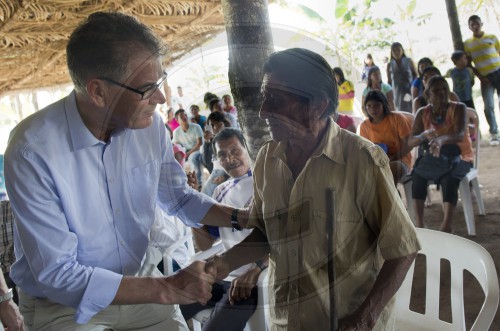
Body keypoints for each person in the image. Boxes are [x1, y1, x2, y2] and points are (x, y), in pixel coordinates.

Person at [3, 12, 246, 330]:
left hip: (140, 281)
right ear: (98, 91)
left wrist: (241, 217)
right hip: (64, 305)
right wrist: (167, 287)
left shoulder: (150, 127)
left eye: (161, 81)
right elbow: (58, 274)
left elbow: (178, 198)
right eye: (147, 88)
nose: (160, 98)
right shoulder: (32, 149)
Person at [208, 48, 420, 331]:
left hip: (346, 323)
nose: (263, 111)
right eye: (263, 98)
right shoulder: (267, 160)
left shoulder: (362, 160)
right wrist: (219, 265)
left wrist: (365, 317)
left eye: (276, 100)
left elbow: (403, 249)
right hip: (286, 321)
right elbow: (264, 233)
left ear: (317, 105)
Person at [181, 128, 268, 331]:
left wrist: (258, 268)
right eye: (222, 154)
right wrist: (194, 206)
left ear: (246, 149)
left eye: (235, 150)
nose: (230, 158)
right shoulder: (220, 191)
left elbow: (281, 236)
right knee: (173, 305)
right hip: (222, 277)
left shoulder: (264, 181)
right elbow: (205, 245)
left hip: (252, 282)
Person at [408, 76, 473, 233]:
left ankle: (447, 225)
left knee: (450, 178)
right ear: (427, 95)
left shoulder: (459, 108)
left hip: (461, 157)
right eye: (436, 91)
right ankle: (420, 224)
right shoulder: (422, 113)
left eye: (444, 89)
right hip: (433, 158)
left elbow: (458, 134)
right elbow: (411, 141)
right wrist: (424, 135)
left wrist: (441, 140)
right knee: (417, 175)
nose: (441, 93)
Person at [360, 91, 412, 184]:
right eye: (369, 106)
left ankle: (391, 197)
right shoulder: (364, 126)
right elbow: (364, 150)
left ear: (383, 105)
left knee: (390, 171)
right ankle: (391, 196)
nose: (373, 109)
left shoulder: (397, 118)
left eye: (376, 105)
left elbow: (408, 145)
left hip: (400, 159)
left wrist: (392, 158)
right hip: (377, 162)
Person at [464, 15, 500, 145]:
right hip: (485, 78)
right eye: (472, 24)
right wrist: (480, 77)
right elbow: (469, 63)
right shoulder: (468, 44)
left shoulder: (492, 37)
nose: (475, 26)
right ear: (469, 27)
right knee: (488, 106)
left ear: (481, 24)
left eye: (477, 23)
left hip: (498, 72)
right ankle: (494, 134)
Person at [200, 112, 231, 197]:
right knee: (204, 195)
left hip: (227, 171)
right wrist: (206, 142)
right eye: (211, 126)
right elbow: (206, 161)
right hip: (216, 172)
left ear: (223, 123)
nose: (214, 128)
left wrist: (225, 176)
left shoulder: (232, 137)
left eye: (216, 124)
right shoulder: (212, 141)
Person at [173, 109, 204, 183]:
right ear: (177, 120)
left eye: (185, 115)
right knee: (176, 160)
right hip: (186, 151)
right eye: (181, 116)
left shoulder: (196, 127)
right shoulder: (176, 132)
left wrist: (188, 154)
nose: (185, 117)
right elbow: (177, 146)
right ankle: (181, 181)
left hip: (198, 149)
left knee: (192, 157)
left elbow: (200, 143)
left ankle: (198, 182)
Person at [387, 42, 417, 113]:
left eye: (398, 50)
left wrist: (413, 88)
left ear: (402, 50)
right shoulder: (390, 65)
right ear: (391, 52)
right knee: (400, 113)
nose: (396, 52)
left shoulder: (409, 61)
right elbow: (389, 81)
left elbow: (415, 75)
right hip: (397, 94)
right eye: (394, 50)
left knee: (412, 110)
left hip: (409, 91)